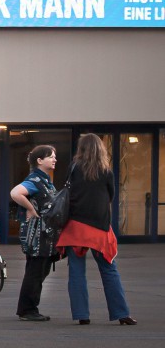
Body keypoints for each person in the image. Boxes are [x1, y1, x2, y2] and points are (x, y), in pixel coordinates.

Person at [56, 133, 137, 326]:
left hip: (76, 227)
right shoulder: (106, 170)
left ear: (81, 149)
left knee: (76, 271)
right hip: (99, 228)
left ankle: (82, 315)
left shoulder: (73, 168)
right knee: (109, 269)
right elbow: (111, 196)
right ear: (100, 149)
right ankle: (121, 313)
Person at [10, 143, 59, 321]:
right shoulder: (34, 181)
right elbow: (15, 193)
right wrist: (30, 209)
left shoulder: (44, 180)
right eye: (50, 156)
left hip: (45, 237)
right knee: (35, 272)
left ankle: (30, 308)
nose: (54, 159)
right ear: (39, 160)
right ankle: (27, 310)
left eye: (54, 156)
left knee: (38, 272)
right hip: (39, 237)